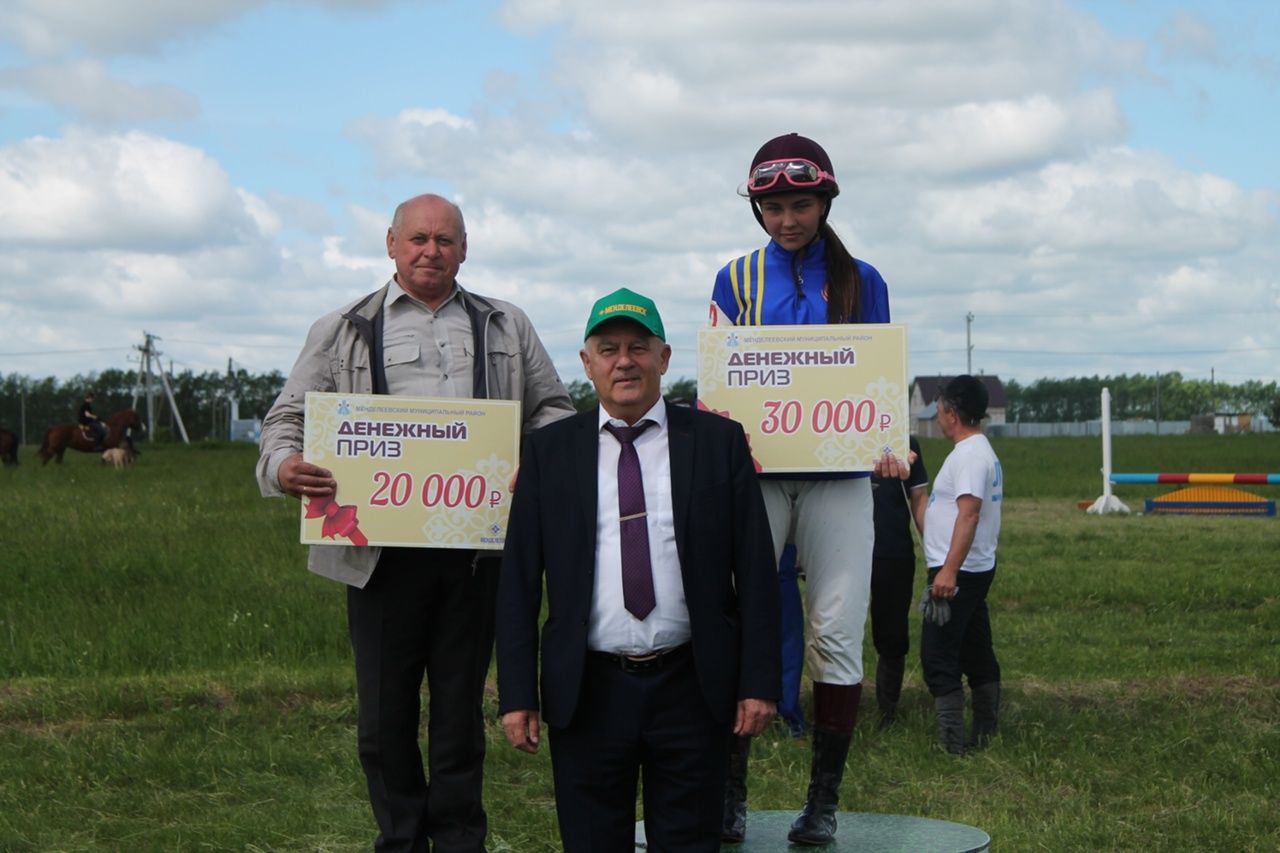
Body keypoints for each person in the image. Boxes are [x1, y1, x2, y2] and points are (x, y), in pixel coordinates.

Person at [256, 193, 574, 853]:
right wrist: (286, 468)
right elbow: (284, 420)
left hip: (476, 553)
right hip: (376, 556)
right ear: (392, 244)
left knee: (460, 714)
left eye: (446, 239)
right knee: (384, 717)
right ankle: (400, 837)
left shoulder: (506, 325)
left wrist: (536, 464)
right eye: (419, 238)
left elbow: (555, 411)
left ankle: (460, 838)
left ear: (465, 247)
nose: (432, 250)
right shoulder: (341, 327)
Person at [497, 288, 780, 853]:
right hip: (589, 688)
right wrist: (517, 693)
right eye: (607, 349)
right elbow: (519, 582)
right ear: (586, 363)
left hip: (692, 685)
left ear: (664, 357)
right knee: (592, 840)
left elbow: (754, 569)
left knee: (690, 841)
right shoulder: (549, 451)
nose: (624, 360)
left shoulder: (718, 443)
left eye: (637, 347)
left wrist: (758, 682)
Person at [709, 132, 903, 846]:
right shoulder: (734, 281)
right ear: (757, 210)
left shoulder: (865, 280)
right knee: (739, 626)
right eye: (774, 207)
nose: (788, 219)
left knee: (836, 633)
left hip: (841, 481)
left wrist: (889, 443)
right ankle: (731, 793)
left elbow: (879, 380)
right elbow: (722, 388)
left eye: (800, 204)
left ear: (824, 200)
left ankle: (822, 802)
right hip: (755, 481)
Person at [921, 376, 1003, 755]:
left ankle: (951, 746)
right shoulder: (976, 451)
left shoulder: (970, 456)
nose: (938, 418)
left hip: (959, 572)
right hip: (970, 568)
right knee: (974, 648)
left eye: (939, 410)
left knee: (938, 655)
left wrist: (948, 571)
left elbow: (968, 516)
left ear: (952, 413)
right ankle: (986, 734)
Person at [870, 436, 929, 727]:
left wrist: (936, 550)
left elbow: (919, 498)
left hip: (892, 550)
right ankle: (835, 705)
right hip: (843, 548)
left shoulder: (907, 441)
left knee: (892, 633)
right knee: (836, 632)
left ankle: (887, 711)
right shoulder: (838, 436)